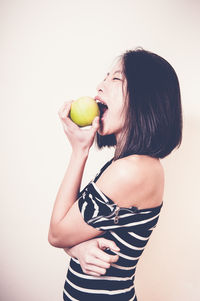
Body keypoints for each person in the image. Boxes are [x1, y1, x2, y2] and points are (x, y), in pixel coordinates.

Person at [48, 48, 183, 301]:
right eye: (105, 76)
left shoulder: (134, 170)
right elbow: (68, 228)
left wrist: (79, 151)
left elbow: (57, 233)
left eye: (115, 78)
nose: (100, 85)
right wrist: (78, 248)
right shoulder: (122, 165)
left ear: (145, 98)